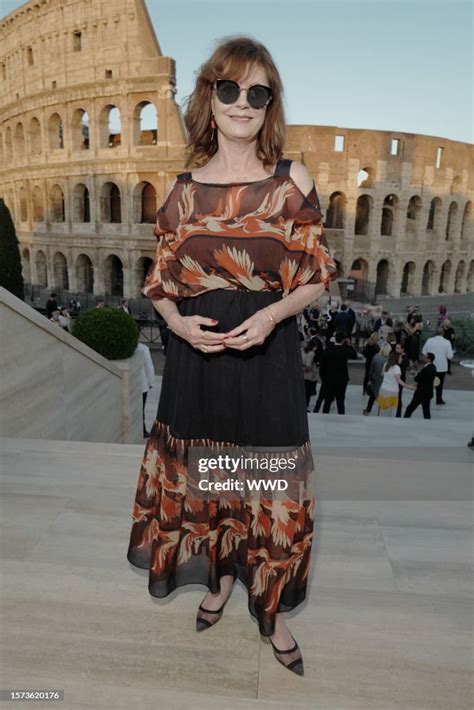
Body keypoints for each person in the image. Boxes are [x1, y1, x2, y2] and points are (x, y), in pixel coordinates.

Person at [126, 36, 338, 677]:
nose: (242, 103)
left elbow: (318, 273)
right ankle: (219, 582)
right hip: (197, 360)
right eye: (229, 89)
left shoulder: (289, 179)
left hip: (268, 358)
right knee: (209, 483)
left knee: (269, 487)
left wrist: (272, 314)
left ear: (269, 104)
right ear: (209, 98)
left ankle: (268, 614)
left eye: (257, 92)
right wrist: (177, 326)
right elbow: (161, 279)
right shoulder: (182, 189)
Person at [321, 331, 358, 414]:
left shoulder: (328, 349)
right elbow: (354, 356)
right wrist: (350, 345)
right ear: (343, 340)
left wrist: (323, 377)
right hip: (341, 380)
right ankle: (341, 416)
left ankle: (324, 415)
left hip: (329, 379)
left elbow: (323, 365)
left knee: (327, 401)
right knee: (340, 401)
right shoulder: (345, 350)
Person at [376, 350, 415, 416]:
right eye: (400, 358)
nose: (401, 359)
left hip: (383, 389)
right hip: (392, 391)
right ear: (396, 359)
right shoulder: (397, 368)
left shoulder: (386, 364)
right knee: (390, 412)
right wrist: (408, 386)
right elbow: (398, 380)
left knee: (382, 409)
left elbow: (382, 374)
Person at [422, 327, 453, 405]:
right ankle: (439, 399)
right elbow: (450, 356)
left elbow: (423, 352)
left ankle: (426, 398)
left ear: (435, 333)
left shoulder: (429, 340)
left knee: (428, 383)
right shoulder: (447, 342)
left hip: (430, 365)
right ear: (443, 333)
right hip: (442, 366)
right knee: (440, 384)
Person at [404, 353, 437, 419]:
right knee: (426, 410)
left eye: (425, 357)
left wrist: (416, 375)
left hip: (421, 393)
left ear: (429, 359)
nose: (424, 358)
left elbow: (418, 378)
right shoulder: (433, 367)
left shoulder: (426, 369)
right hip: (428, 392)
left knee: (410, 408)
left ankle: (405, 419)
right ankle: (428, 422)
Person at [363, 342, 391, 415]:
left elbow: (371, 370)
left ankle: (368, 410)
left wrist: (370, 379)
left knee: (372, 396)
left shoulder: (376, 357)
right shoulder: (390, 359)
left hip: (376, 379)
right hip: (385, 380)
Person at [136, 342, 156, 437]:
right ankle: (142, 430)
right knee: (141, 409)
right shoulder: (143, 348)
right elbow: (149, 366)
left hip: (139, 384)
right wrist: (151, 382)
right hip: (142, 385)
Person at [301, 340, 319, 408]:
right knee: (307, 393)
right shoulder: (311, 353)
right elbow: (308, 364)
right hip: (308, 375)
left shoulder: (302, 350)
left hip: (302, 373)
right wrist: (310, 369)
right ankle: (306, 406)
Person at [394, 341, 409, 418]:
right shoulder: (396, 355)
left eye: (398, 348)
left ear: (402, 349)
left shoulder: (404, 357)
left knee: (398, 397)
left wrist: (398, 363)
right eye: (396, 347)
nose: (396, 349)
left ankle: (398, 414)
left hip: (400, 379)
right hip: (395, 379)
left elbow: (402, 370)